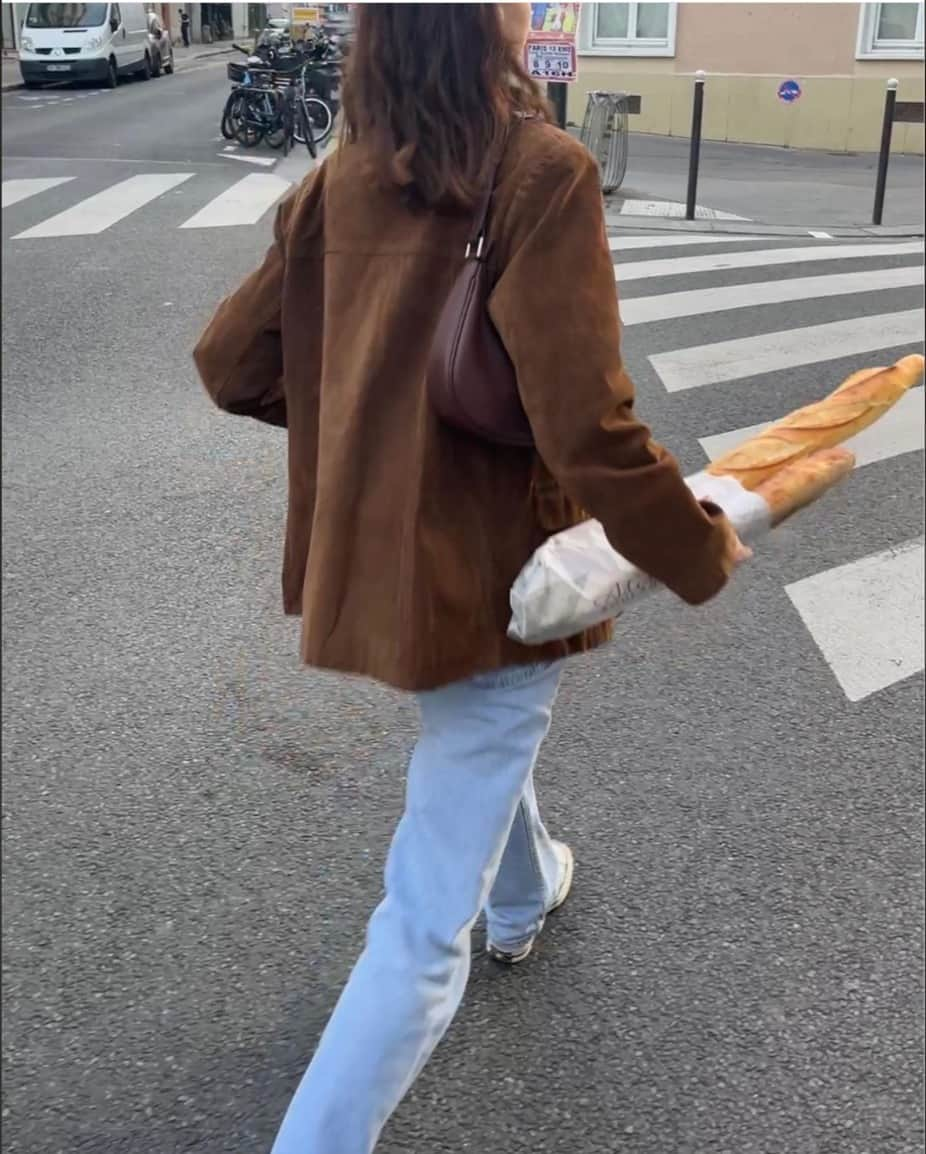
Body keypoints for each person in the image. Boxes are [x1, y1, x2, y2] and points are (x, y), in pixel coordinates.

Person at [193, 5, 751, 1151]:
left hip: (376, 568)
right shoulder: (539, 170)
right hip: (487, 572)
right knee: (416, 922)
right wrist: (697, 544)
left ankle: (526, 888)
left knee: (474, 741)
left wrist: (364, 422)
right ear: (488, 28)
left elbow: (230, 364)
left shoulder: (339, 175)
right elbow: (586, 425)